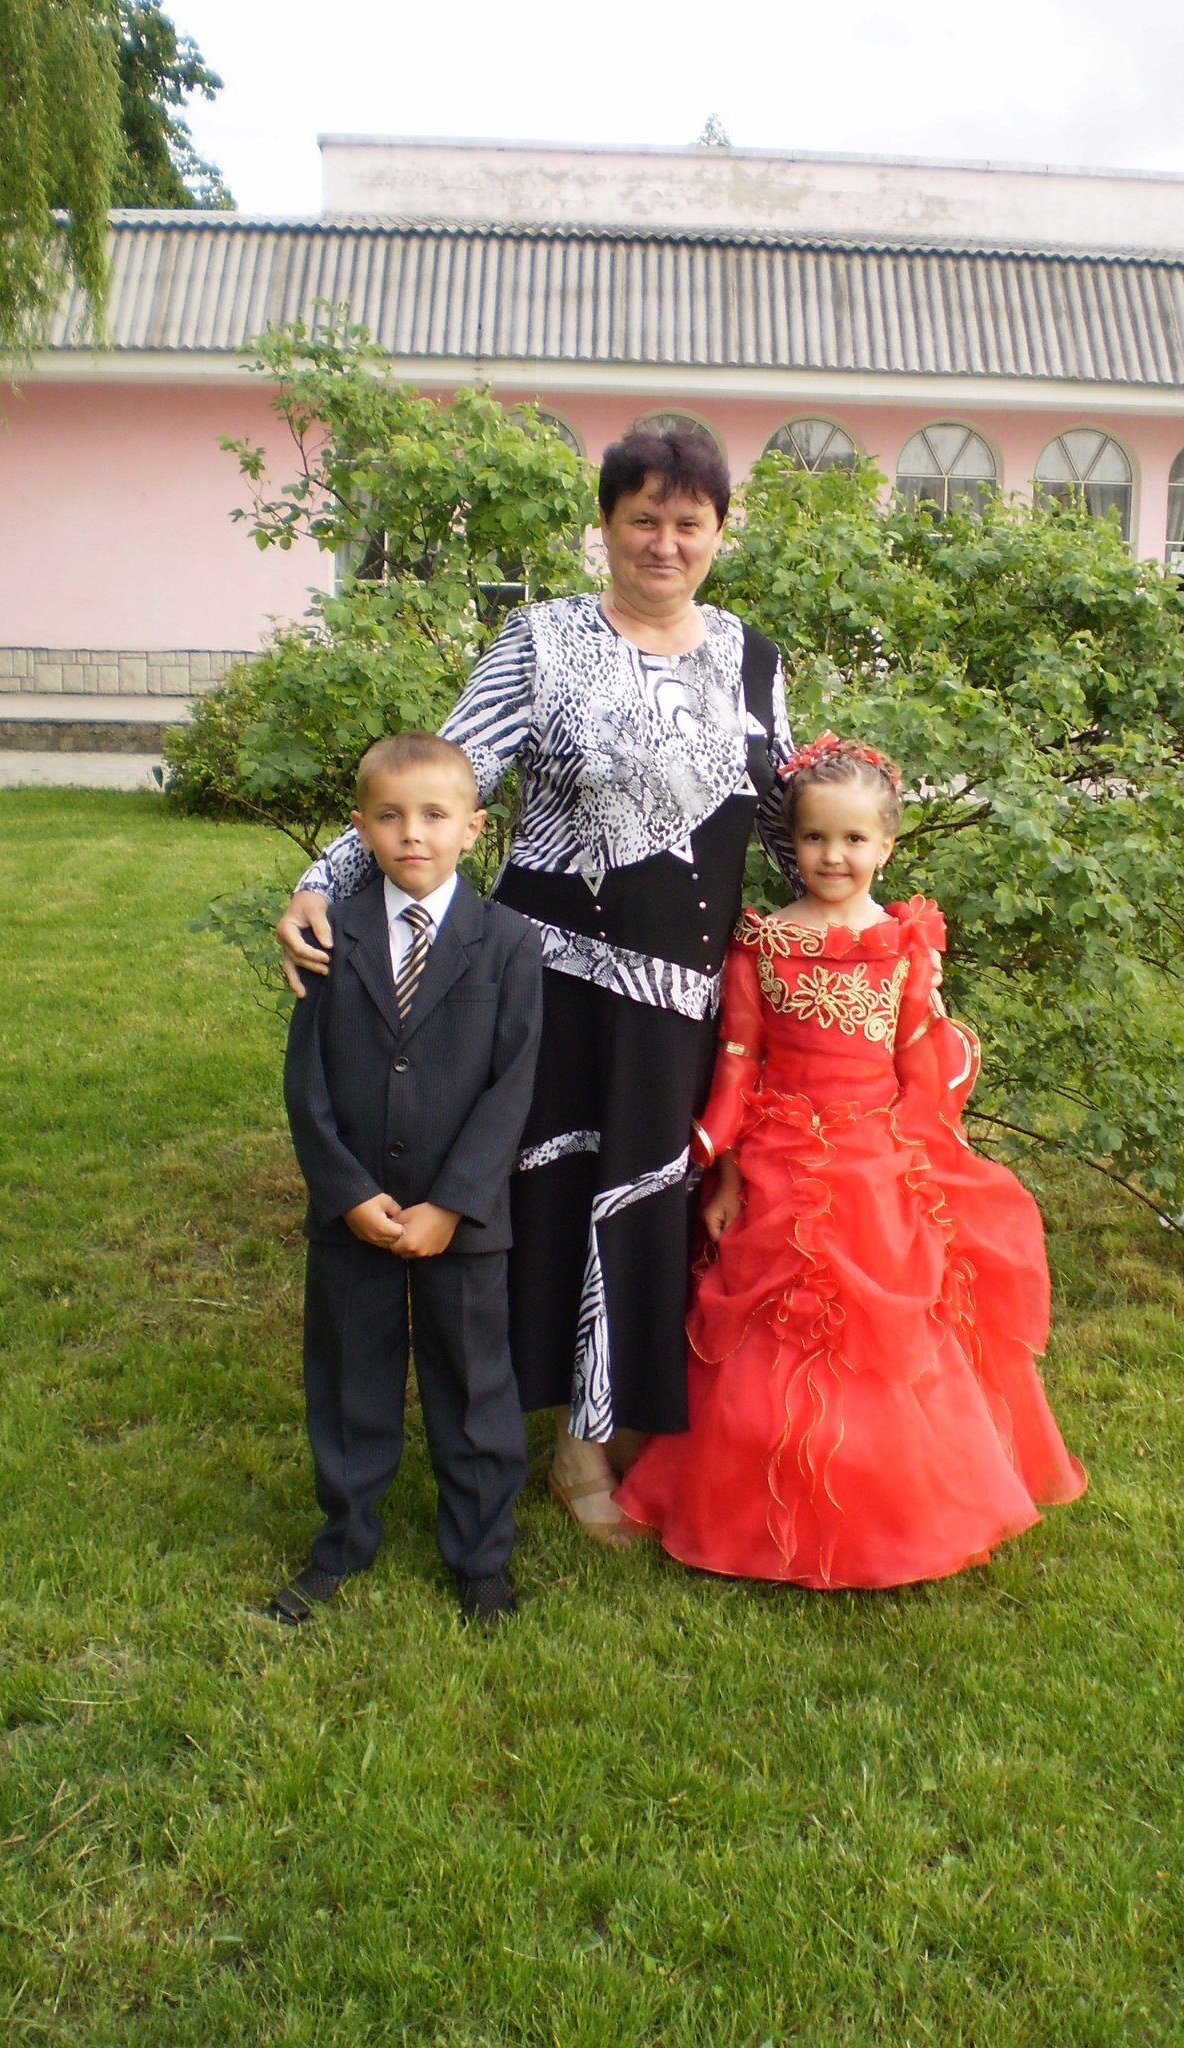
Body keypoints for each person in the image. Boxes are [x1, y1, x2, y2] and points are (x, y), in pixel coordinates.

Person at [275, 429, 794, 1543]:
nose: (664, 542)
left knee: (650, 1199)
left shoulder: (751, 656)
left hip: (683, 994)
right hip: (551, 977)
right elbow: (443, 776)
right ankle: (566, 1441)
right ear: (605, 526)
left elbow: (784, 816)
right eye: (642, 518)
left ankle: (623, 1418)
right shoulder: (544, 640)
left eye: (689, 522)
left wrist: (864, 930)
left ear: (719, 532)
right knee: (553, 1199)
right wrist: (321, 881)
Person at [615, 733, 1086, 1587]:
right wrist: (723, 1171)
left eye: (854, 839)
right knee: (763, 1329)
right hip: (779, 1158)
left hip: (879, 1160)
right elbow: (738, 1063)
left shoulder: (905, 947)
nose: (834, 856)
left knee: (892, 1336)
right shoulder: (762, 943)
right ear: (791, 843)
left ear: (887, 846)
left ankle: (895, 1508)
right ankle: (748, 1506)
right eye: (815, 837)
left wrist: (927, 1156)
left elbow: (918, 1063)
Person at [274, 731, 543, 1627]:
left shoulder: (508, 943)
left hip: (462, 1218)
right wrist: (346, 1193)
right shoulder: (333, 935)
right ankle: (342, 1541)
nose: (412, 834)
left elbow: (513, 1086)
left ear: (475, 827)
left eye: (434, 815)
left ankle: (481, 1558)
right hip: (352, 1214)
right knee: (351, 1378)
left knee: (474, 1388)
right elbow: (307, 1082)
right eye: (389, 817)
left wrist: (454, 1203)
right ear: (361, 829)